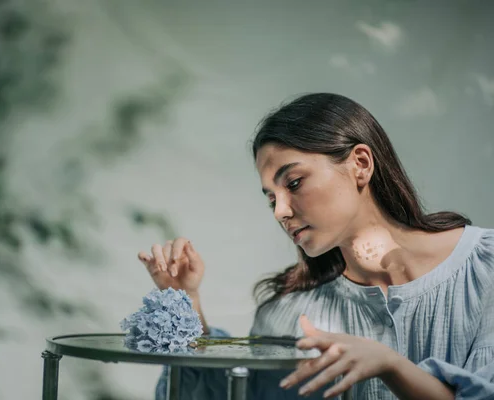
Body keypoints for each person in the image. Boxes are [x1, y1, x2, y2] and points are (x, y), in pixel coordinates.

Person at [136, 93, 494, 399]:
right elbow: (231, 391)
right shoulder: (288, 313)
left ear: (360, 164)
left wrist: (389, 365)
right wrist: (186, 304)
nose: (280, 211)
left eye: (293, 183)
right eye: (270, 198)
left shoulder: (486, 267)